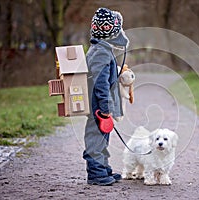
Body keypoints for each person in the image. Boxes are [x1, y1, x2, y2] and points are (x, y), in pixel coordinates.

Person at [83, 7, 129, 186]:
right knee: (96, 137)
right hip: (98, 106)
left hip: (98, 106)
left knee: (102, 136)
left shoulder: (99, 48)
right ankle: (96, 174)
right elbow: (100, 84)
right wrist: (105, 109)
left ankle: (103, 169)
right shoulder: (101, 52)